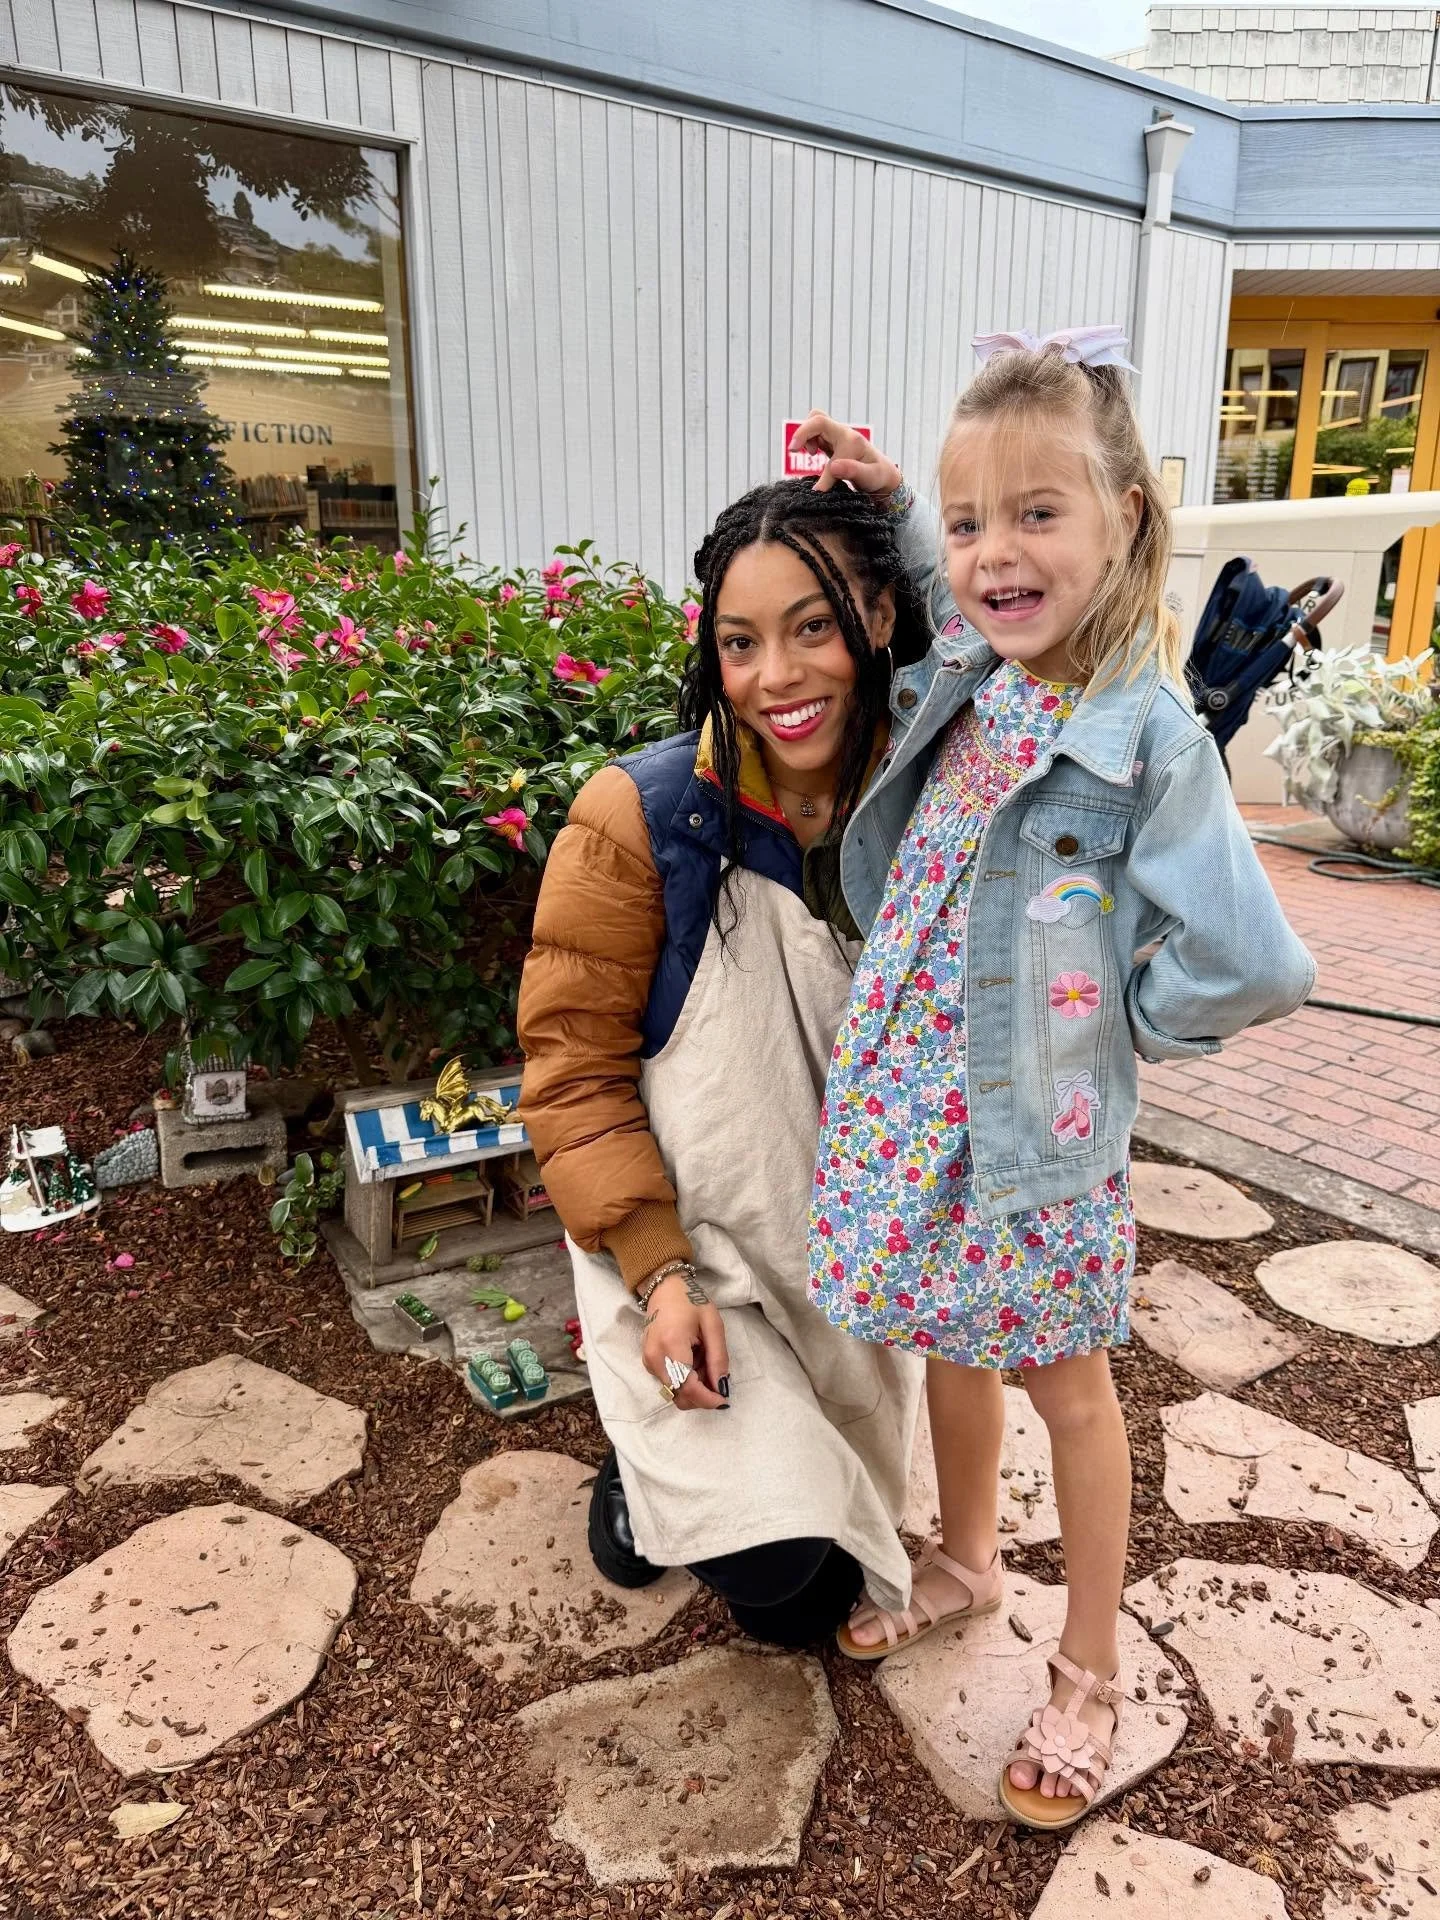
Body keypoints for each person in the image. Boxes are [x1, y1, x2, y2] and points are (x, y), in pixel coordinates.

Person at [792, 327, 1314, 1828]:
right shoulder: (974, 663)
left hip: (1034, 1135)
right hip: (916, 1099)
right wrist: (901, 497)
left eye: (1040, 514)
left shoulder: (1147, 738)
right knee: (957, 1341)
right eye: (970, 525)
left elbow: (1262, 958)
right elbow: (954, 562)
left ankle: (1088, 1665)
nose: (995, 555)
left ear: (1125, 521)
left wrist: (1124, 1016)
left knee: (1067, 1388)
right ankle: (967, 1556)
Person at [517, 479, 934, 1646]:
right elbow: (571, 1071)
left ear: (886, 615)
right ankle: (635, 1454)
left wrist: (904, 503)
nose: (778, 678)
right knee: (782, 1581)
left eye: (814, 627)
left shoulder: (938, 806)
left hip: (846, 1259)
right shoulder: (641, 818)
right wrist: (657, 1275)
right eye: (739, 643)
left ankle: (693, 1458)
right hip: (693, 1250)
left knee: (826, 1588)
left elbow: (1063, 662)